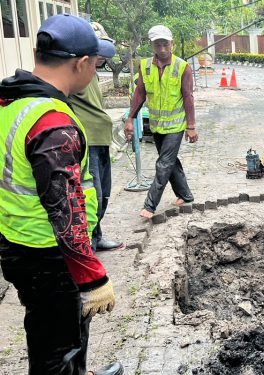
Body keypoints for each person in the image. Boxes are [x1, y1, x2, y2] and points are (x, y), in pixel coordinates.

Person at [0, 14, 122, 375]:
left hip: (19, 243)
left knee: (49, 331)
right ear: (82, 63)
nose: (96, 73)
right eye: (97, 65)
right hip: (49, 254)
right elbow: (64, 211)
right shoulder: (51, 122)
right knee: (58, 348)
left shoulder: (13, 103)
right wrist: (92, 276)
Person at [124, 25, 198, 219]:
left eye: (166, 44)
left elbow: (188, 97)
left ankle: (150, 205)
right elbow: (140, 94)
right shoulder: (145, 66)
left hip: (176, 125)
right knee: (170, 161)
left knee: (163, 164)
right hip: (157, 126)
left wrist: (191, 126)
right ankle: (185, 194)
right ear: (152, 45)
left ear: (171, 43)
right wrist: (130, 118)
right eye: (158, 45)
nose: (162, 49)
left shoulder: (183, 67)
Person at [70, 34, 125, 252]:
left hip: (101, 138)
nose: (100, 60)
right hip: (88, 141)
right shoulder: (76, 72)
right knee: (93, 195)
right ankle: (88, 245)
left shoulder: (92, 74)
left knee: (104, 192)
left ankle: (97, 236)